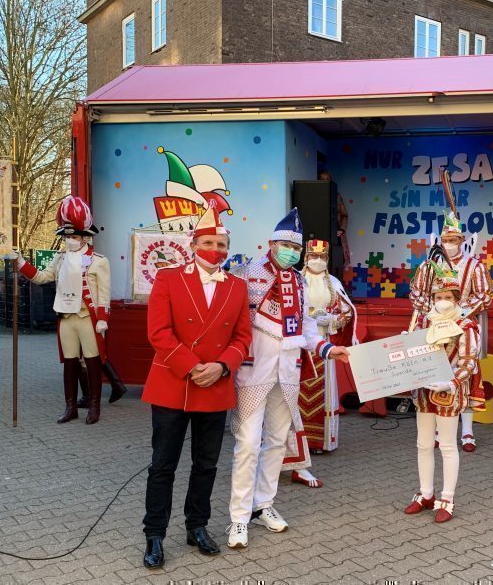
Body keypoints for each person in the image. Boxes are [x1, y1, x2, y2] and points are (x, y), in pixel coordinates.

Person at [227, 208, 350, 549]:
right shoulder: (246, 272)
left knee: (278, 442)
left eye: (295, 248)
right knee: (248, 443)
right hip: (253, 371)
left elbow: (308, 326)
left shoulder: (297, 280)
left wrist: (327, 349)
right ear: (271, 243)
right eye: (285, 246)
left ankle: (263, 504)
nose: (292, 253)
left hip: (288, 372)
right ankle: (238, 518)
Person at [139, 206, 251, 569]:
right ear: (194, 243)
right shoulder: (168, 278)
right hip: (174, 381)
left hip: (215, 384)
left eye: (221, 244)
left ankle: (197, 526)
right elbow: (158, 332)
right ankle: (154, 533)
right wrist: (192, 367)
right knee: (163, 464)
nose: (215, 249)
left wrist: (220, 366)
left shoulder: (237, 285)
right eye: (208, 242)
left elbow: (242, 337)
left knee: (206, 465)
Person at [11, 196, 125, 424]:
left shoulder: (99, 261)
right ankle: (70, 407)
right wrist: (21, 263)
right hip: (66, 317)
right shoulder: (59, 259)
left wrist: (103, 319)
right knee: (70, 363)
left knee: (92, 362)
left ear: (84, 237)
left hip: (87, 318)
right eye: (67, 236)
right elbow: (42, 278)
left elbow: (103, 293)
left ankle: (94, 407)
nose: (70, 240)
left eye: (74, 236)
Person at [409, 211, 493, 452]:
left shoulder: (474, 266)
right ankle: (437, 428)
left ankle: (467, 430)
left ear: (462, 241)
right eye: (446, 241)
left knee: (465, 373)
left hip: (464, 328)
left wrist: (461, 312)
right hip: (433, 328)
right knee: (434, 372)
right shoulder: (428, 266)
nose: (450, 245)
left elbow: (485, 295)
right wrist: (433, 310)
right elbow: (416, 293)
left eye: (454, 240)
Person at [404, 266, 479, 523]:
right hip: (424, 391)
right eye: (438, 297)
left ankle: (446, 499)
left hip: (448, 391)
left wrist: (451, 383)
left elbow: (470, 361)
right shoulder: (423, 321)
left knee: (447, 445)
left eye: (448, 297)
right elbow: (411, 355)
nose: (443, 302)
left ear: (457, 299)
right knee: (423, 444)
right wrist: (405, 345)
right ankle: (425, 494)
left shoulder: (466, 324)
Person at [288, 239, 358, 488]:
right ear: (306, 257)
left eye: (322, 257)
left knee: (323, 392)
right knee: (296, 395)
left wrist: (330, 319)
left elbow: (347, 312)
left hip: (324, 341)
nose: (317, 260)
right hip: (298, 343)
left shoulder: (335, 283)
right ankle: (297, 446)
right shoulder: (295, 280)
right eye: (313, 255)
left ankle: (322, 441)